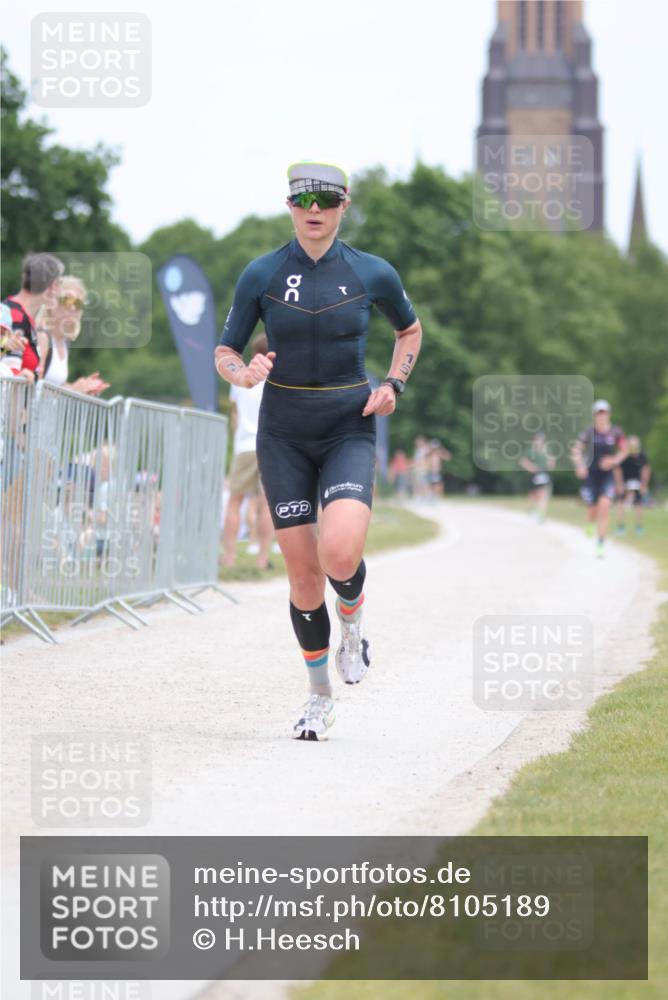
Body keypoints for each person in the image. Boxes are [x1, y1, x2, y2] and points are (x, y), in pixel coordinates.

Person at [214, 161, 422, 740]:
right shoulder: (260, 274)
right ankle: (318, 697)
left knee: (339, 554)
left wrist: (393, 385)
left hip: (348, 426)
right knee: (303, 580)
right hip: (281, 434)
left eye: (325, 202)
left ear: (342, 206)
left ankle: (352, 623)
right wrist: (243, 370)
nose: (313, 211)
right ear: (289, 205)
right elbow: (225, 351)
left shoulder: (372, 272)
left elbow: (410, 331)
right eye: (303, 200)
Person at [222, 331, 274, 570]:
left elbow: (235, 415)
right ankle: (262, 558)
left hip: (244, 445)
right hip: (269, 444)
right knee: (267, 504)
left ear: (254, 353)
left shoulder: (240, 379)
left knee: (235, 502)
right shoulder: (276, 379)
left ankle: (229, 556)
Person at [35, 274, 110, 396]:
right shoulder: (42, 338)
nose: (73, 307)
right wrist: (72, 391)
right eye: (67, 300)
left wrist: (83, 388)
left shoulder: (64, 342)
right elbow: (34, 387)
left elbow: (55, 385)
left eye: (79, 303)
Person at [572, 400, 628, 558]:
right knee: (592, 509)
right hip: (590, 475)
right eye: (598, 413)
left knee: (604, 506)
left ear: (609, 414)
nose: (602, 416)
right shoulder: (588, 432)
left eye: (604, 413)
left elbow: (624, 450)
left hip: (607, 476)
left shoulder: (616, 432)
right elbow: (576, 449)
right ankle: (589, 523)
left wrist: (614, 460)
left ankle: (601, 543)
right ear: (594, 415)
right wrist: (579, 465)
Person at [2, 252, 64, 381]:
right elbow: (7, 373)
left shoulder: (25, 317)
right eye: (60, 284)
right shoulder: (14, 315)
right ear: (53, 286)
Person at [615, 436, 651, 536]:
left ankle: (639, 527)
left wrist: (644, 484)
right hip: (625, 483)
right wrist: (619, 484)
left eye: (635, 445)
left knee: (639, 505)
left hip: (638, 483)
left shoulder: (642, 456)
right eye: (631, 445)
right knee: (620, 504)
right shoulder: (624, 456)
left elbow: (646, 470)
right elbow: (617, 470)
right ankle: (620, 527)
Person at [519, 431, 555, 522]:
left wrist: (551, 462)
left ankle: (541, 514)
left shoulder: (547, 451)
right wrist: (530, 467)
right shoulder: (530, 451)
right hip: (533, 475)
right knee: (533, 495)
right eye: (537, 440)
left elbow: (551, 465)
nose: (539, 442)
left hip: (543, 474)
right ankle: (534, 510)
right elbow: (523, 461)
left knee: (543, 494)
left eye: (541, 440)